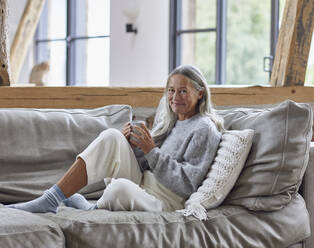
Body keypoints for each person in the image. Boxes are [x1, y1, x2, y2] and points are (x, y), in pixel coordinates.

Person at [6, 65, 223, 213]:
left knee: (119, 189)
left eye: (183, 91)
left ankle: (87, 207)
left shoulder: (204, 129)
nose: (175, 98)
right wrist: (133, 144)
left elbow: (186, 184)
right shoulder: (173, 121)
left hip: (167, 200)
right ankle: (50, 199)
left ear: (200, 93)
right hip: (145, 182)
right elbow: (150, 163)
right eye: (171, 90)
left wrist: (151, 150)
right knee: (112, 136)